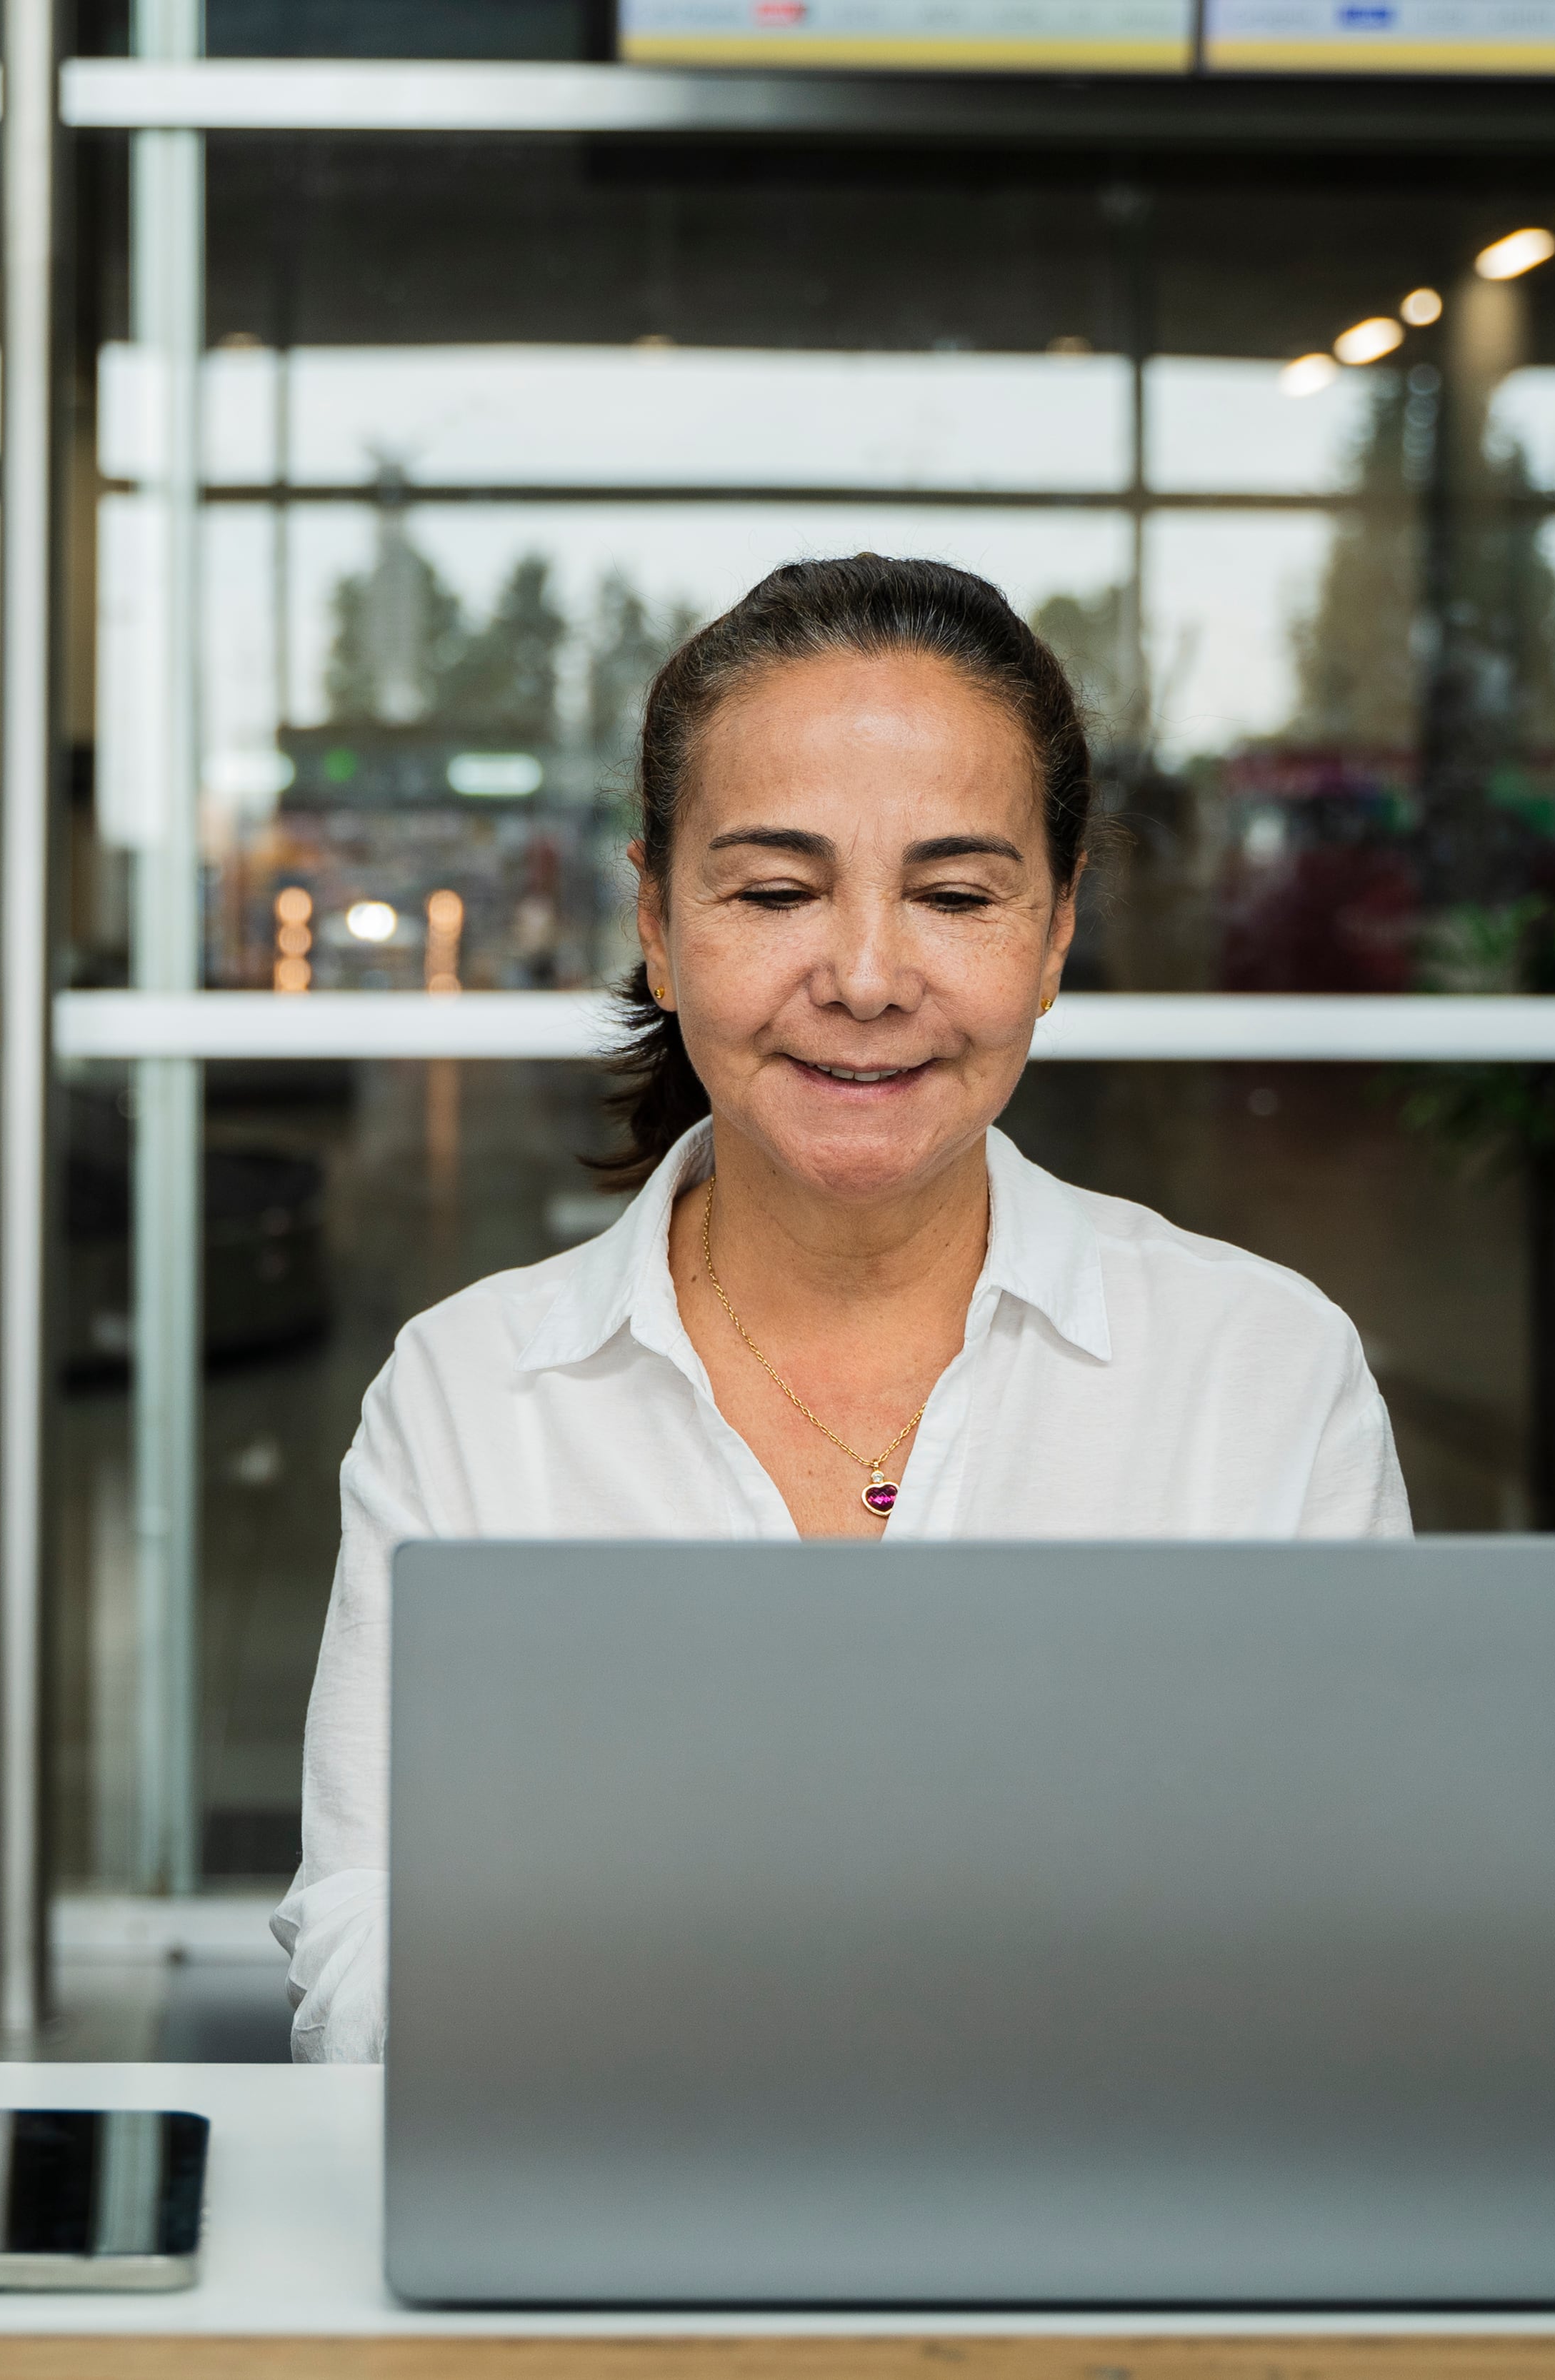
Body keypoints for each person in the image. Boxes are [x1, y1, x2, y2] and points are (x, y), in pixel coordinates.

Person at [271, 555, 1412, 2064]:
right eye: (773, 890)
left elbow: (1374, 1930)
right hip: (628, 2229)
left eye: (952, 893)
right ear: (662, 928)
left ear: (1057, 930)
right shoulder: (476, 1391)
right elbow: (359, 1949)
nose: (867, 977)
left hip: (1115, 2244)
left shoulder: (1259, 1370)